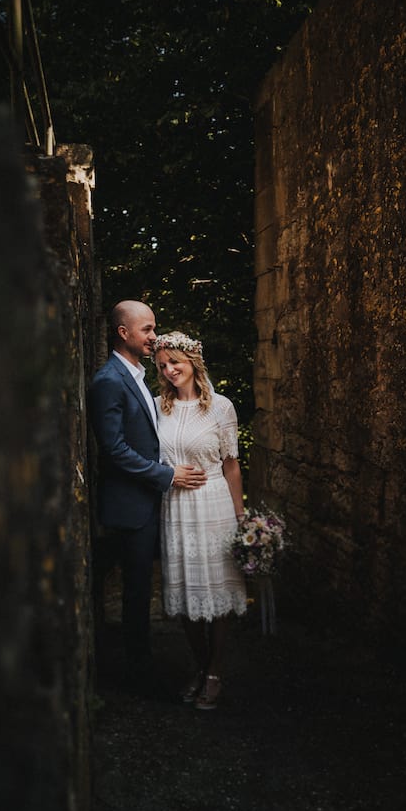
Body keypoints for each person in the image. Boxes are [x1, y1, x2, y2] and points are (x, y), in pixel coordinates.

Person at [88, 301, 207, 697]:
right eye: (147, 329)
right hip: (131, 505)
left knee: (143, 587)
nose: (154, 336)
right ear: (123, 333)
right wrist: (167, 475)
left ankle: (147, 667)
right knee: (136, 591)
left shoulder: (138, 376)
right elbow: (114, 449)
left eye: (154, 328)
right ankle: (139, 678)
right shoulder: (109, 380)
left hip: (149, 501)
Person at [153, 330, 247, 710]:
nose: (169, 370)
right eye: (162, 365)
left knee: (217, 590)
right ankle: (200, 664)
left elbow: (231, 465)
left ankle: (215, 671)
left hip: (214, 502)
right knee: (187, 589)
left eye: (175, 362)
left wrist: (241, 517)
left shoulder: (221, 407)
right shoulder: (157, 408)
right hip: (175, 506)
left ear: (192, 362)